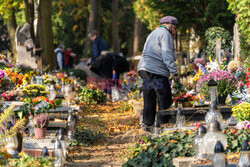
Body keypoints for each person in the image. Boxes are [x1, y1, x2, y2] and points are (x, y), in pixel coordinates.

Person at [137, 16, 179, 128]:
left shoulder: (154, 33)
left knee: (149, 96)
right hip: (155, 70)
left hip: (144, 68)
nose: (174, 30)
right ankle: (164, 124)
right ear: (170, 25)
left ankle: (148, 124)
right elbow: (167, 54)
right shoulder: (165, 34)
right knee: (164, 96)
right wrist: (174, 72)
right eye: (174, 27)